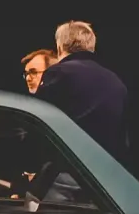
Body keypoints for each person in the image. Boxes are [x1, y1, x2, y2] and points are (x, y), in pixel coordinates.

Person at [35, 21, 129, 164]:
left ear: (59, 47)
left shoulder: (58, 73)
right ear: (91, 47)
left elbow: (39, 125)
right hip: (106, 171)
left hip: (69, 168)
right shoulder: (117, 82)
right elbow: (123, 140)